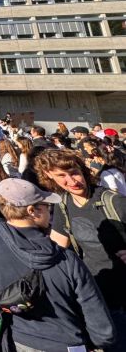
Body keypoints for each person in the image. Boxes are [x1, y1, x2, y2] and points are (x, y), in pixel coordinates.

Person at [0, 178, 115, 352]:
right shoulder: (67, 259)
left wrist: (10, 306)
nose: (50, 212)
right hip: (68, 343)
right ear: (31, 211)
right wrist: (101, 343)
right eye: (45, 206)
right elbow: (95, 312)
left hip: (18, 340)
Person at [37, 148, 126, 348]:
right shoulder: (63, 204)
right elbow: (57, 249)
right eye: (62, 176)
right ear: (50, 176)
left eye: (74, 172)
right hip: (96, 296)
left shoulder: (113, 201)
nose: (72, 181)